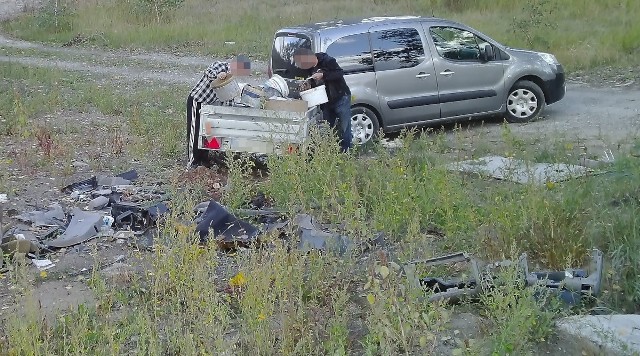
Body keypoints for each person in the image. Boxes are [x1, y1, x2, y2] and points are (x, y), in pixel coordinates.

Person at [186, 55, 251, 168]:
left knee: (207, 132)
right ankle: (193, 161)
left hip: (209, 107)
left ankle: (204, 158)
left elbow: (228, 98)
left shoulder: (232, 78)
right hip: (197, 101)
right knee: (195, 131)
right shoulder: (219, 65)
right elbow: (209, 72)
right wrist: (218, 75)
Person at [293, 48, 352, 152]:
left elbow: (339, 73)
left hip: (340, 97)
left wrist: (324, 75)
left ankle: (346, 152)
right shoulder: (308, 68)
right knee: (327, 127)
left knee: (344, 127)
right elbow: (311, 81)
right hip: (326, 102)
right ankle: (328, 151)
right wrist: (307, 85)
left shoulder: (328, 61)